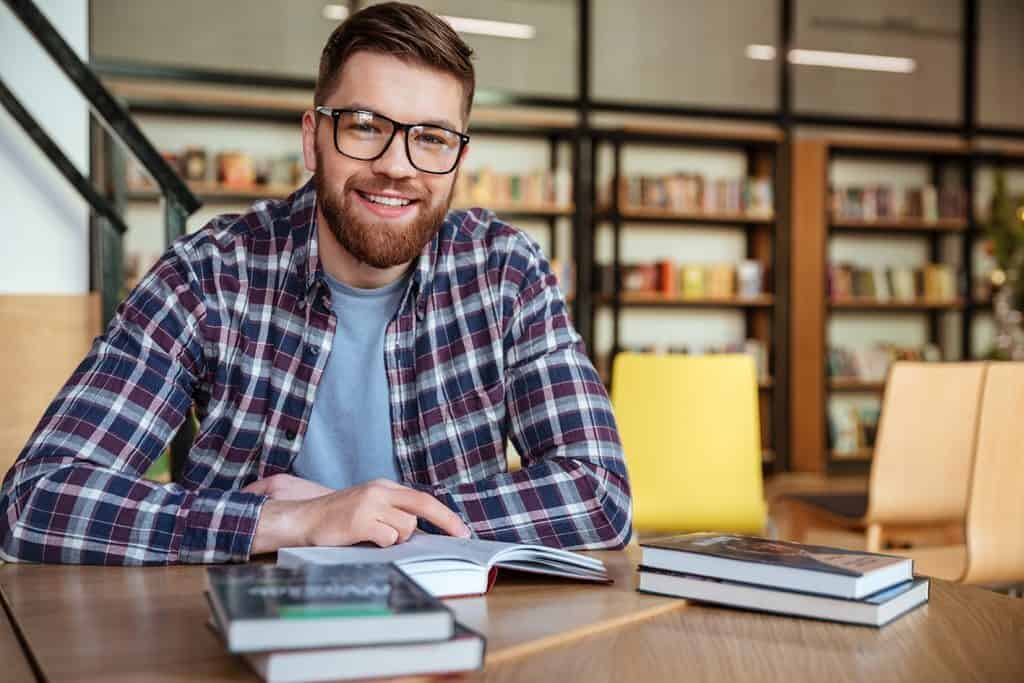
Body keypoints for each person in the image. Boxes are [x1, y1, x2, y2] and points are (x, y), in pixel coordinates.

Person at [0, 2, 631, 565]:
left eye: (431, 139)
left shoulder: (504, 273)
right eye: (363, 125)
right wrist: (295, 522)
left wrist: (371, 515)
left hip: (458, 628)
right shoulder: (211, 273)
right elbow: (36, 498)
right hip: (246, 627)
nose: (395, 165)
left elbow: (601, 493)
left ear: (458, 160)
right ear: (313, 138)